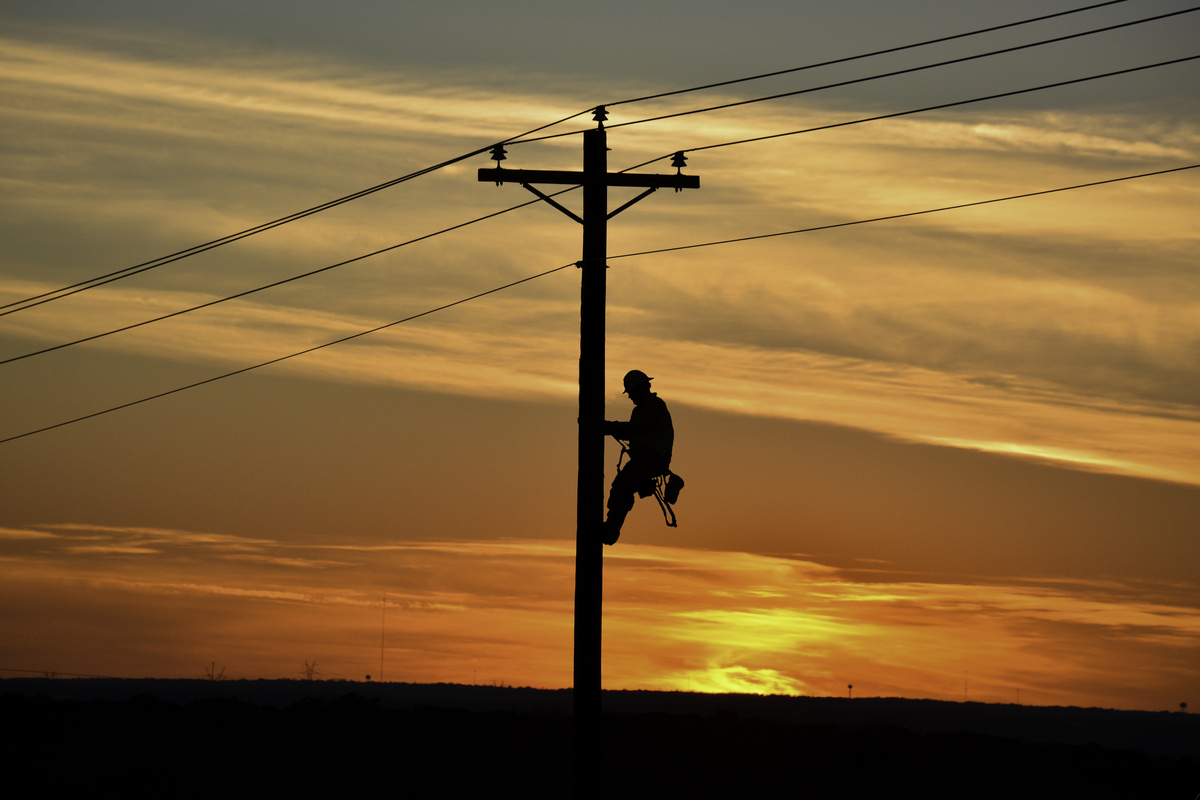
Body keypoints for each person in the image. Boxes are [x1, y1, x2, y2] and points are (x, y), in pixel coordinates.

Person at [601, 370, 673, 545]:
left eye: (632, 393)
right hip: (644, 460)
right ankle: (610, 529)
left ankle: (610, 531)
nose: (630, 397)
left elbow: (636, 429)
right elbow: (635, 431)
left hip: (651, 460)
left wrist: (607, 427)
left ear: (642, 388)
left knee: (621, 487)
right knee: (621, 488)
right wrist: (610, 428)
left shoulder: (655, 406)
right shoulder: (641, 410)